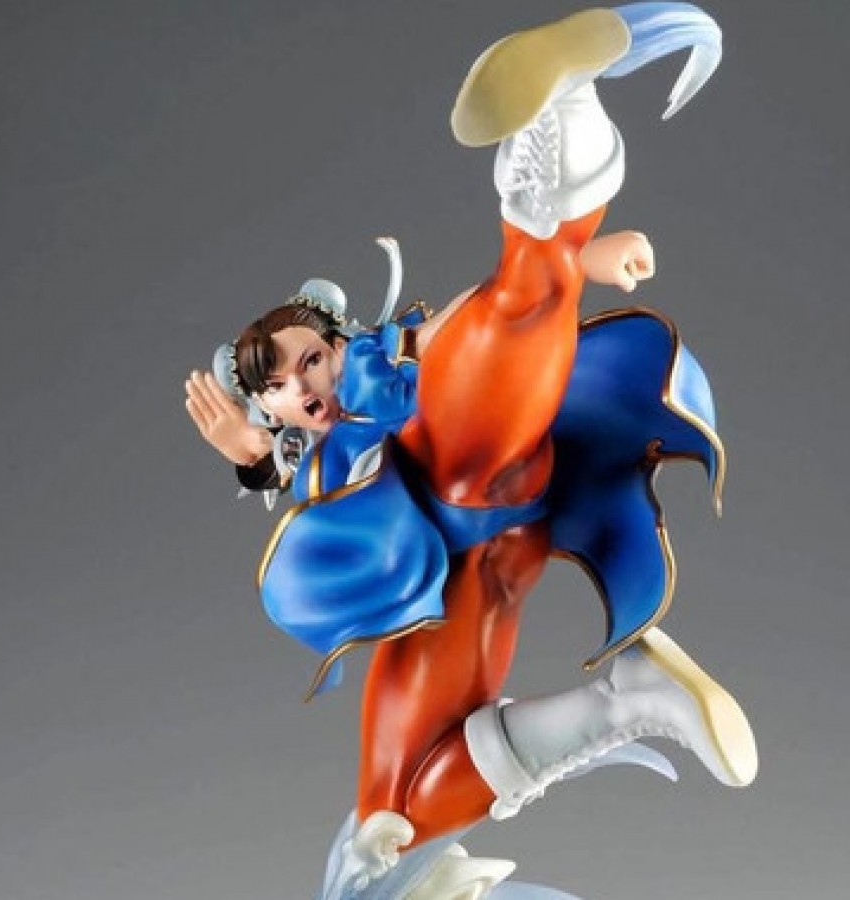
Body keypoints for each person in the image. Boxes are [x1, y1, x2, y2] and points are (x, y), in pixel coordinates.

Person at [186, 6, 755, 899]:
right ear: (277, 412)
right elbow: (459, 341)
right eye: (281, 390)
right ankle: (628, 699)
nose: (303, 384)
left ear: (339, 343)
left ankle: (558, 114)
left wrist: (570, 265)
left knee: (526, 290)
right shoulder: (330, 454)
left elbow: (457, 323)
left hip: (468, 481)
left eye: (310, 359)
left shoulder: (381, 374)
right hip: (469, 573)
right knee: (393, 810)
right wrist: (255, 457)